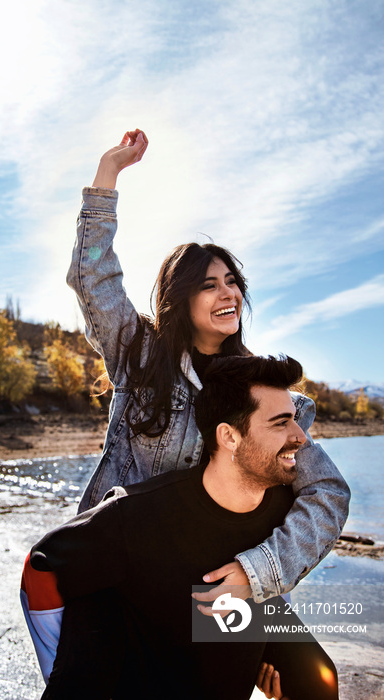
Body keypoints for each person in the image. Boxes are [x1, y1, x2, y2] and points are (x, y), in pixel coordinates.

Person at [66, 128, 349, 600]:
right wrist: (108, 174)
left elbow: (328, 493)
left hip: (218, 583)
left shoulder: (260, 389)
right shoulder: (139, 354)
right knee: (129, 673)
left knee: (313, 674)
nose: (229, 293)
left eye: (233, 281)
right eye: (209, 284)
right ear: (182, 299)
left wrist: (259, 573)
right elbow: (91, 278)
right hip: (130, 569)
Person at [23, 355, 339, 700]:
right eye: (281, 424)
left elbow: (328, 499)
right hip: (152, 651)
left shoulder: (285, 509)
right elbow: (40, 564)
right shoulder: (134, 515)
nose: (301, 438)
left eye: (295, 421)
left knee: (318, 682)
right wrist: (62, 668)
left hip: (224, 623)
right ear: (229, 437)